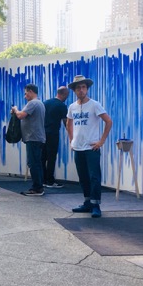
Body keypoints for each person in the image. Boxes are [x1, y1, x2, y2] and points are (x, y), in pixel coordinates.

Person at [66, 75, 112, 216]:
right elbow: (69, 123)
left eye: (84, 87)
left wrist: (101, 141)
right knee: (83, 177)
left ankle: (96, 205)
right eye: (78, 87)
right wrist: (71, 140)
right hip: (78, 148)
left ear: (87, 89)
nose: (81, 90)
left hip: (91, 148)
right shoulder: (72, 107)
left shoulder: (94, 104)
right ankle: (87, 202)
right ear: (74, 90)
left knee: (94, 177)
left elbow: (108, 121)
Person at [12, 83, 46, 196]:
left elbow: (21, 115)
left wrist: (16, 110)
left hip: (33, 137)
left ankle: (37, 188)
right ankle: (39, 185)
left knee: (33, 163)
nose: (25, 96)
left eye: (26, 93)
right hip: (37, 137)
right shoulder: (39, 103)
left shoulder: (33, 103)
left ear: (31, 91)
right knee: (37, 163)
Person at [42, 86, 70, 188]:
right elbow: (65, 122)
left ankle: (43, 179)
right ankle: (50, 181)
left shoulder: (45, 103)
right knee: (51, 157)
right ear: (64, 94)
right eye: (67, 95)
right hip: (53, 133)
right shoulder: (62, 106)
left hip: (42, 133)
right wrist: (71, 134)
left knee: (43, 157)